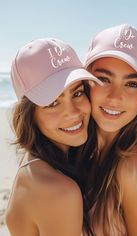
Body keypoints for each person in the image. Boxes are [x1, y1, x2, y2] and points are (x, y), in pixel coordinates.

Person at [5, 38, 102, 236]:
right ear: (29, 114)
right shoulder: (60, 192)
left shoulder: (35, 161)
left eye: (77, 93)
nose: (73, 113)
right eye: (52, 103)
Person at [82, 24, 137, 236]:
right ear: (85, 80)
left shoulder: (136, 166)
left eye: (131, 84)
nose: (114, 97)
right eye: (103, 79)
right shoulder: (77, 147)